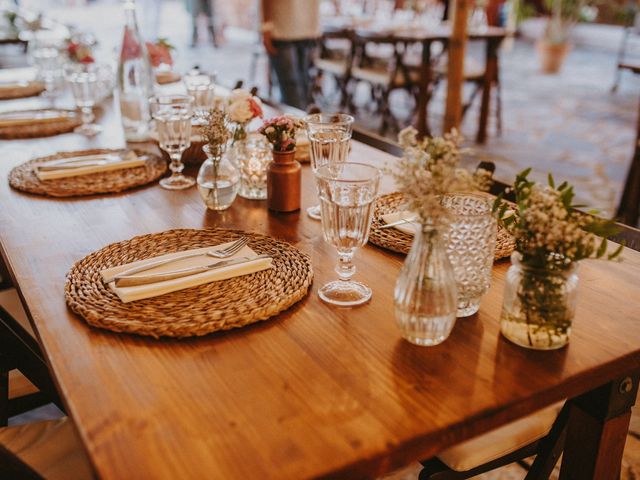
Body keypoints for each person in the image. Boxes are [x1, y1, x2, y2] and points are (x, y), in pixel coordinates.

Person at [261, 0, 320, 110]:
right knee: (291, 88)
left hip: (309, 30)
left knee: (305, 84)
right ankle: (295, 124)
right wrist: (266, 28)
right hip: (282, 30)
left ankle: (299, 123)